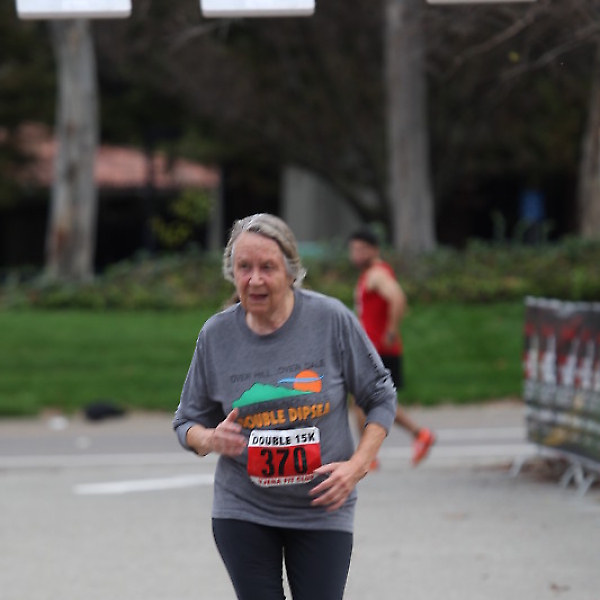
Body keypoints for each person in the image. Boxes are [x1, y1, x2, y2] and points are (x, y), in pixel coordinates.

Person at [174, 213, 396, 600]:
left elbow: (380, 395)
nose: (254, 280)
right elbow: (186, 422)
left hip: (322, 506)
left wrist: (358, 465)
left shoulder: (330, 320)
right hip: (243, 507)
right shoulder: (216, 335)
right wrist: (209, 439)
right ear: (231, 273)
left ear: (291, 272)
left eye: (267, 268)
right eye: (244, 268)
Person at [348, 227, 436, 467]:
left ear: (374, 250)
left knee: (362, 401)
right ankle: (418, 435)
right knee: (374, 400)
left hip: (378, 349)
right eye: (353, 249)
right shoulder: (371, 274)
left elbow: (398, 298)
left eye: (361, 249)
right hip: (373, 347)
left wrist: (391, 330)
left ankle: (367, 457)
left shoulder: (377, 274)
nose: (355, 255)